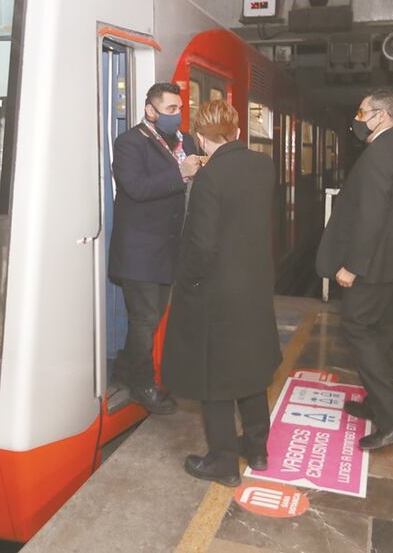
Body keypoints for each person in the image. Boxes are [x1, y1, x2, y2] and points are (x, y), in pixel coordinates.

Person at [162, 99, 281, 487]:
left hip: (217, 292)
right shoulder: (262, 166)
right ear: (237, 131)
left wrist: (189, 282)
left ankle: (224, 461)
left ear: (200, 137)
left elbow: (202, 245)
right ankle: (258, 449)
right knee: (250, 367)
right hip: (255, 286)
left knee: (213, 375)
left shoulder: (211, 177)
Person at [315, 88, 393, 451]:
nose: (358, 119)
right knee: (380, 332)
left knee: (357, 327)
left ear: (381, 114)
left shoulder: (381, 153)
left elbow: (371, 216)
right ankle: (377, 402)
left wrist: (352, 265)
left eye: (362, 113)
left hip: (374, 266)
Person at [109, 82, 202, 414]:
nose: (177, 116)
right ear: (150, 110)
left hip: (171, 249)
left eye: (179, 110)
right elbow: (135, 188)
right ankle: (142, 386)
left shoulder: (185, 141)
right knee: (145, 319)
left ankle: (126, 366)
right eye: (170, 110)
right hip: (140, 250)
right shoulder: (130, 143)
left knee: (153, 316)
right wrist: (181, 173)